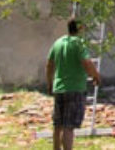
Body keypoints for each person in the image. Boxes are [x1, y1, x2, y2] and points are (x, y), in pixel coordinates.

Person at [46, 18, 101, 150]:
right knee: (68, 127)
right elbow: (87, 62)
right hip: (75, 89)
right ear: (80, 28)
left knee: (58, 125)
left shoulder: (58, 43)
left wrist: (50, 83)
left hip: (59, 88)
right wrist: (96, 76)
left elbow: (49, 65)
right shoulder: (79, 44)